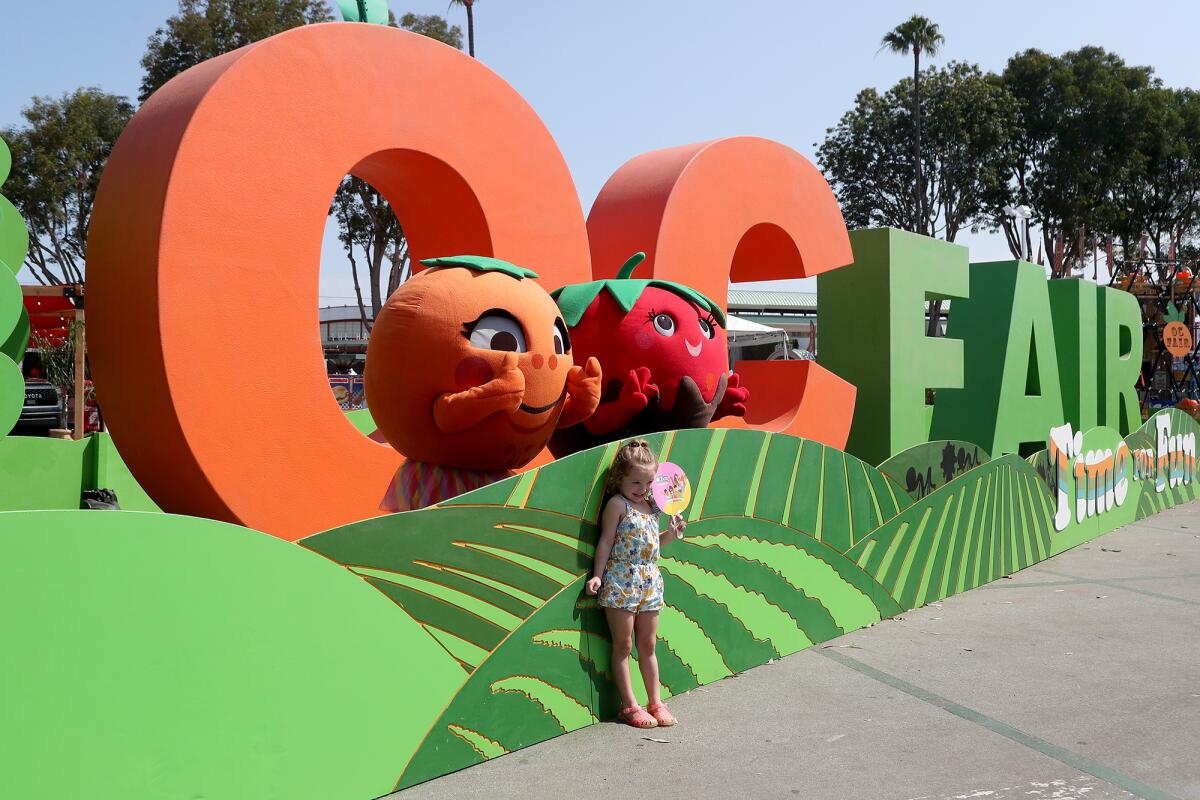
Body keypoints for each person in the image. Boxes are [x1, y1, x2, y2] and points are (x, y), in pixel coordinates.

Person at [585, 439, 686, 728]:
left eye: (648, 481)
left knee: (648, 644)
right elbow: (605, 541)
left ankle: (656, 702)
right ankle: (630, 706)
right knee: (624, 644)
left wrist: (672, 533)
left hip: (650, 581)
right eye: (635, 481)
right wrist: (597, 574)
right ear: (620, 479)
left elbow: (655, 544)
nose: (642, 488)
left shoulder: (653, 507)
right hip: (621, 581)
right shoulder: (618, 504)